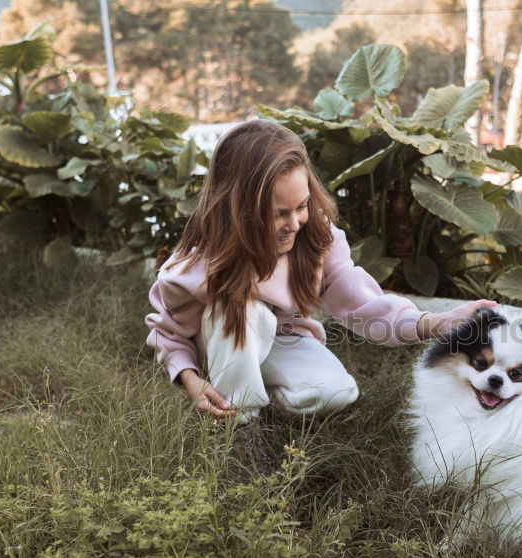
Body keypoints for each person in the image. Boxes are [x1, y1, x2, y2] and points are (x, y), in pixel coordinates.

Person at [145, 119, 497, 422]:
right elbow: (169, 332)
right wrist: (190, 379)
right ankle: (236, 423)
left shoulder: (317, 238)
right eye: (278, 213)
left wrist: (435, 322)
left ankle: (250, 386)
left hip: (283, 339)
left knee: (336, 392)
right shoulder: (203, 262)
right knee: (251, 313)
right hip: (225, 334)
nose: (294, 223)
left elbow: (362, 305)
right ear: (239, 212)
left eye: (301, 206)